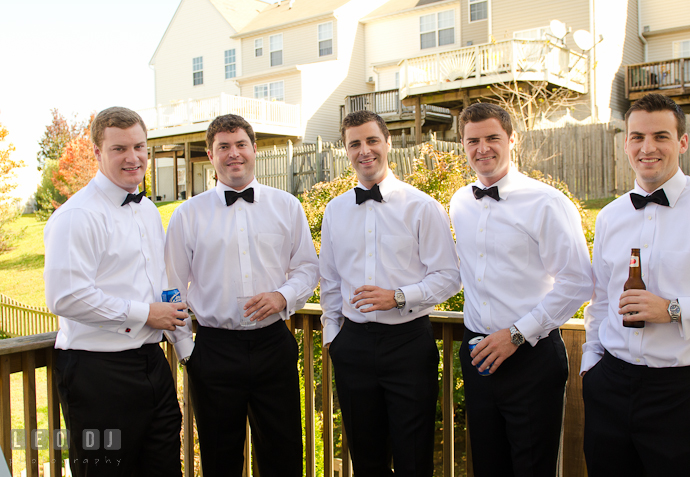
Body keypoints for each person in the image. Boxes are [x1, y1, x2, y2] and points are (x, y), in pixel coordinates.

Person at [165, 114, 319, 476]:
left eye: (240, 145)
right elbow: (170, 288)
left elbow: (307, 269)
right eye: (223, 147)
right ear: (210, 154)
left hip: (273, 346)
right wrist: (188, 351)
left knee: (283, 453)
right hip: (214, 351)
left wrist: (283, 296)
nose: (233, 154)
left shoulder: (287, 206)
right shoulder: (188, 215)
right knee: (221, 458)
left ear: (253, 149)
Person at [449, 102, 593, 476]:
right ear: (462, 145)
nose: (483, 148)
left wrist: (516, 334)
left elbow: (578, 280)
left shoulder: (547, 202)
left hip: (531, 357)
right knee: (487, 464)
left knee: (532, 468)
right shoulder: (460, 202)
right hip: (478, 354)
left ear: (513, 139)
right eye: (473, 141)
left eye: (493, 137)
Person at [45, 107, 188, 476]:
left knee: (164, 466)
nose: (133, 157)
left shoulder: (148, 212)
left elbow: (158, 283)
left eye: (139, 146)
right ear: (96, 152)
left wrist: (184, 345)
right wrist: (145, 313)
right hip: (97, 374)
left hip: (152, 364)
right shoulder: (77, 216)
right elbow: (66, 296)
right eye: (119, 148)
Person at [581, 93, 690, 476]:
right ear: (625, 143)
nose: (648, 148)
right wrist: (591, 367)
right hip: (610, 385)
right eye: (637, 137)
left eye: (661, 136)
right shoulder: (609, 216)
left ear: (682, 142)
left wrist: (673, 309)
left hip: (681, 395)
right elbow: (602, 300)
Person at [319, 110, 461, 476]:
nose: (364, 151)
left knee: (414, 457)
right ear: (345, 151)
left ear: (388, 143)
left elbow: (449, 277)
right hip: (353, 346)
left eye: (371, 141)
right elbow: (331, 280)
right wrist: (334, 337)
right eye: (355, 144)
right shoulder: (335, 211)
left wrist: (399, 296)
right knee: (366, 459)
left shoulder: (422, 206)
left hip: (408, 345)